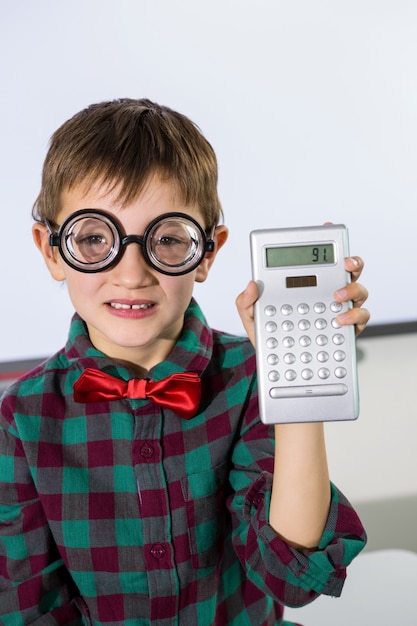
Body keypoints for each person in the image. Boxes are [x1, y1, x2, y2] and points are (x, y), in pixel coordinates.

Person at [0, 98, 370, 626]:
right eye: (93, 239)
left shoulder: (249, 376)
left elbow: (292, 576)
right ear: (51, 248)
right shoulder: (19, 418)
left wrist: (299, 385)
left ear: (208, 252)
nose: (131, 275)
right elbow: (27, 609)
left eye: (168, 240)